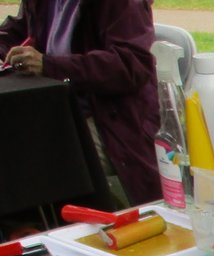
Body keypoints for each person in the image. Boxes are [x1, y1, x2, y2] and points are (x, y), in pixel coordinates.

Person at [0, 0, 160, 207]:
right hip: (56, 107)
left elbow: (131, 64)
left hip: (112, 122)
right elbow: (19, 29)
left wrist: (49, 66)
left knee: (24, 162)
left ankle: (39, 228)